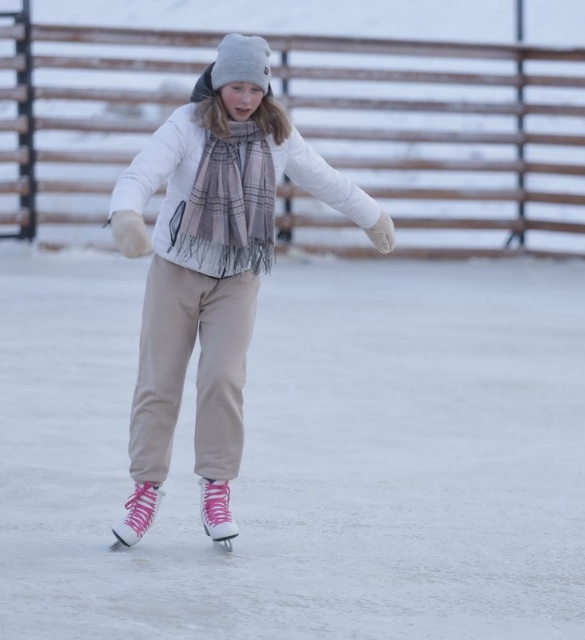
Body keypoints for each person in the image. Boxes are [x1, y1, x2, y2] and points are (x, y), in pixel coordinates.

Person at [107, 34, 395, 548]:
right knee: (159, 383)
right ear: (218, 85)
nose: (244, 99)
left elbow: (324, 179)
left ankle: (216, 487)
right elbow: (140, 174)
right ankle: (144, 490)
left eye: (253, 89)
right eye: (235, 87)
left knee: (222, 380)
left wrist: (371, 215)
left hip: (238, 275)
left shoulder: (278, 135)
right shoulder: (187, 126)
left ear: (265, 89)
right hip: (176, 271)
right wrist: (127, 216)